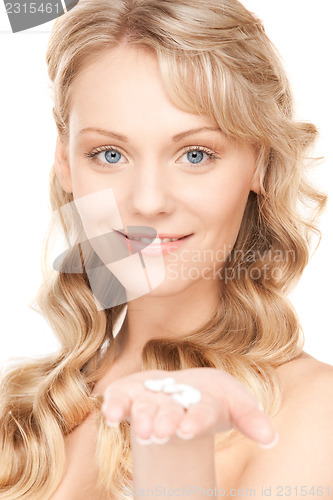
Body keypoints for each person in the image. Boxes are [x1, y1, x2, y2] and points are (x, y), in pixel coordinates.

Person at [0, 0, 332, 498]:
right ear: (66, 162)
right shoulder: (21, 412)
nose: (148, 201)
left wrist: (177, 462)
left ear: (260, 163)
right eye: (109, 154)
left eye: (195, 154)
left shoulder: (315, 411)